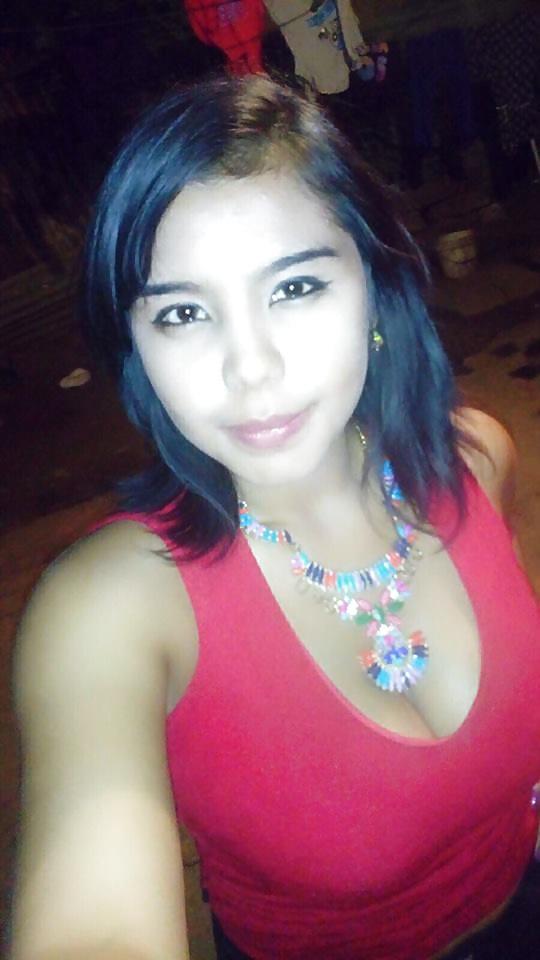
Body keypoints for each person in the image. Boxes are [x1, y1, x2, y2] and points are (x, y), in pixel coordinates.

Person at [10, 74, 540, 960]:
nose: (249, 368)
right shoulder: (106, 611)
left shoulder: (478, 462)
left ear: (374, 284)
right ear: (136, 347)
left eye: (294, 288)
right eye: (184, 313)